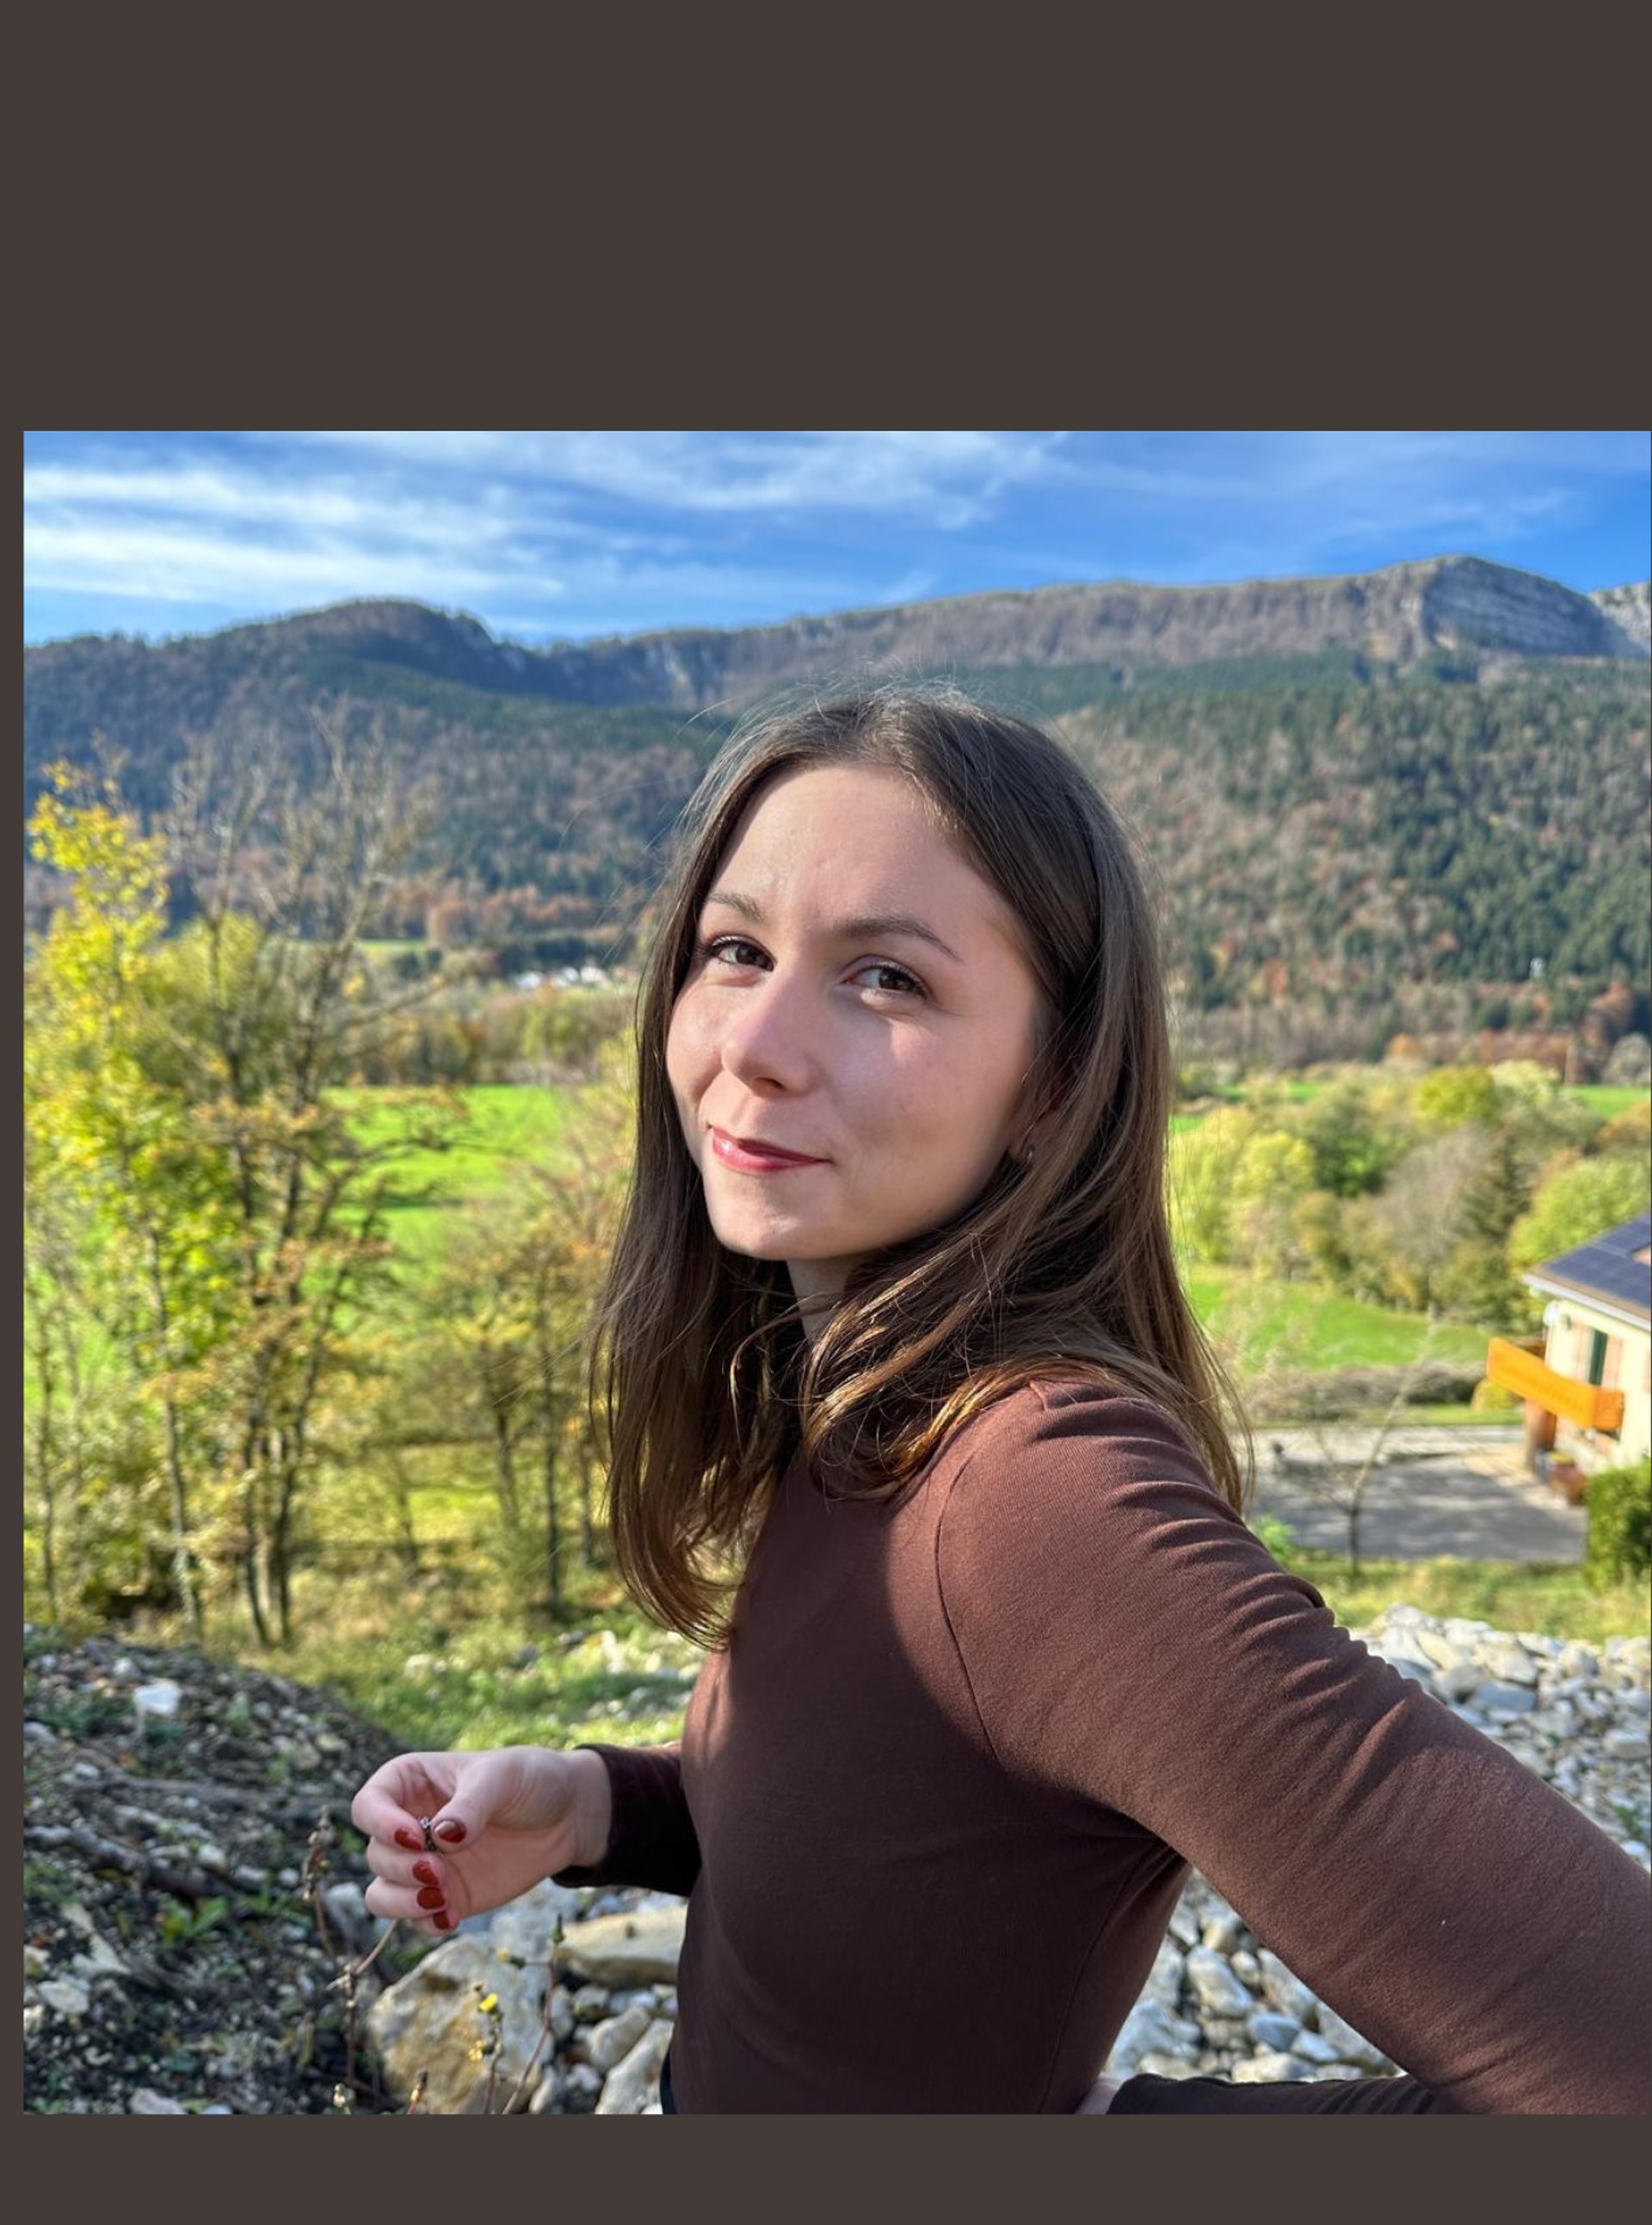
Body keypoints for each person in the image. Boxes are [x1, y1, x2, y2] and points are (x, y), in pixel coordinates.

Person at [352, 683, 1651, 2114]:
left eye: (887, 978)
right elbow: (889, 1826)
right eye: (735, 949)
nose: (755, 1044)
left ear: (1052, 1086)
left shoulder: (1038, 1504)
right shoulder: (858, 1407)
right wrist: (594, 1804)